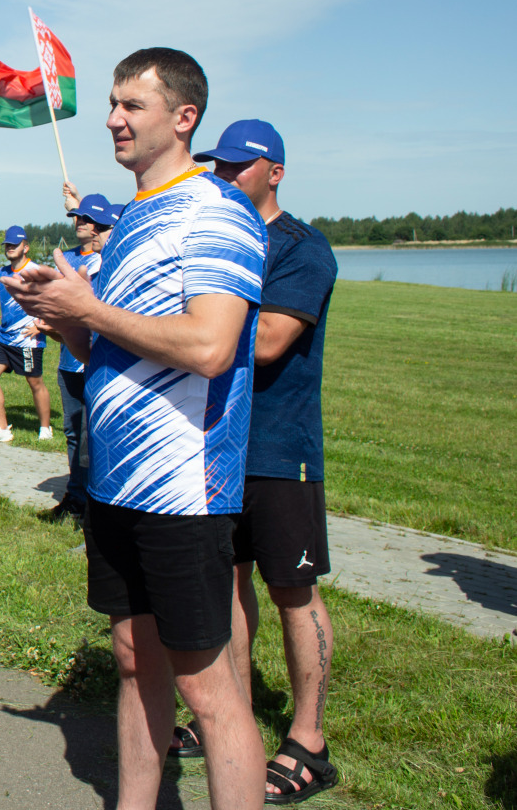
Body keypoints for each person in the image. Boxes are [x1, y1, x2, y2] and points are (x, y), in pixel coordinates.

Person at [5, 47, 267, 810]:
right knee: (131, 659)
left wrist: (87, 309)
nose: (113, 119)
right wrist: (62, 318)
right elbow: (115, 347)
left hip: (184, 485)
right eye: (113, 104)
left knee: (207, 686)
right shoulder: (131, 223)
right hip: (115, 481)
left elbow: (212, 347)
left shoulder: (216, 211)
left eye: (133, 106)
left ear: (184, 118)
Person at [196, 119, 340, 804]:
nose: (224, 178)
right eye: (216, 167)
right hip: (219, 443)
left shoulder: (301, 250)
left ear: (274, 171)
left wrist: (203, 319)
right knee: (226, 584)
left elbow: (273, 339)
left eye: (237, 167)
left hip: (280, 450)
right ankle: (235, 721)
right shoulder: (221, 243)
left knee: (293, 591)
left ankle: (309, 741)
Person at [51, 193, 118, 519]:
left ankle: (96, 503)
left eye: (88, 219)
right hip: (69, 361)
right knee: (74, 432)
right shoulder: (68, 258)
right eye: (77, 217)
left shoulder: (109, 261)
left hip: (98, 361)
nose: (80, 223)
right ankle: (76, 497)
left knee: (98, 435)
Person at [0, 226, 51, 442]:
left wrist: (41, 327)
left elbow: (51, 300)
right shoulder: (2, 273)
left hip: (27, 340)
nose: (9, 248)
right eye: (7, 245)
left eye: (14, 245)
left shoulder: (35, 272)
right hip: (3, 339)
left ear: (25, 248)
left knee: (34, 383)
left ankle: (45, 428)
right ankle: (2, 428)